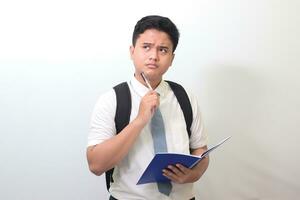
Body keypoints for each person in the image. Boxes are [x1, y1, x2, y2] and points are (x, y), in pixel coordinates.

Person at [86, 15, 209, 200]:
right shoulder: (112, 100)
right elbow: (95, 165)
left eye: (163, 49)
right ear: (132, 51)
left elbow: (201, 150)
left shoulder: (185, 97)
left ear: (172, 58)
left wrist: (195, 174)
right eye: (146, 47)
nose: (154, 56)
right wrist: (140, 120)